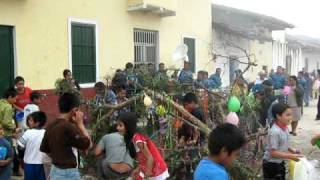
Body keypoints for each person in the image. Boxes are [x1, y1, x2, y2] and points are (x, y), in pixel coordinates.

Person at [40, 93, 91, 180]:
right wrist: (80, 124)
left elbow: (45, 149)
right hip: (68, 173)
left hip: (55, 169)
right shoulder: (68, 127)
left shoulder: (51, 125)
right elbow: (88, 144)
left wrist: (58, 159)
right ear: (75, 110)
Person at [117, 112, 169, 180]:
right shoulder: (132, 139)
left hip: (156, 170)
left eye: (120, 125)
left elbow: (150, 158)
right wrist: (138, 169)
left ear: (128, 126)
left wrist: (146, 176)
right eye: (117, 125)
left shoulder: (138, 140)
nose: (117, 128)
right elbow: (143, 158)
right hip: (149, 168)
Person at [263, 103, 304, 180]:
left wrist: (292, 150)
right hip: (271, 164)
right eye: (287, 115)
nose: (290, 117)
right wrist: (290, 156)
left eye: (291, 115)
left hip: (279, 162)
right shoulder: (275, 132)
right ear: (278, 116)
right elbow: (273, 153)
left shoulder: (285, 128)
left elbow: (283, 143)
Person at [18, 111, 48, 180]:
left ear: (37, 123)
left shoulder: (28, 132)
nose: (29, 122)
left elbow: (20, 147)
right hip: (42, 164)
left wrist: (21, 157)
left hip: (29, 163)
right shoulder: (46, 133)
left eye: (31, 120)